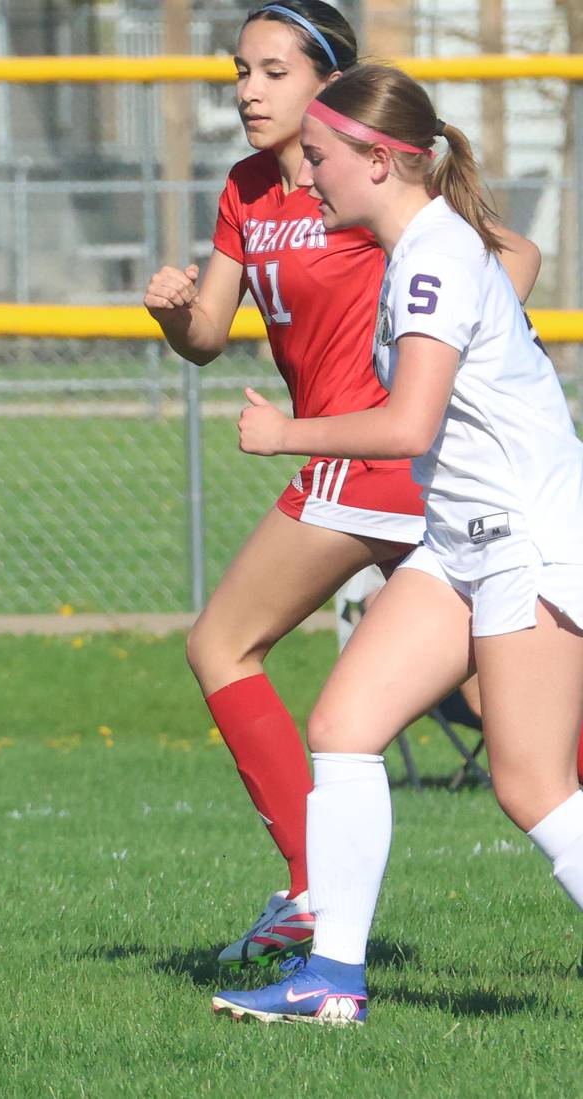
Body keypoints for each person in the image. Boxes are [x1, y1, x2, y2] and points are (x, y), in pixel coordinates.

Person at [142, 0, 541, 969]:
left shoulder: (364, 184)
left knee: (224, 642)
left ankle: (313, 887)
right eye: (239, 71)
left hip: (371, 458)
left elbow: (512, 259)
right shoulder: (250, 190)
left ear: (333, 88)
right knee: (507, 703)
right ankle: (322, 909)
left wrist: (435, 370)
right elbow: (207, 344)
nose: (247, 91)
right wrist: (175, 314)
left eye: (273, 72)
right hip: (357, 462)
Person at [212, 62, 583, 1026]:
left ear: (380, 161)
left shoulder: (430, 257)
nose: (310, 175)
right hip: (464, 541)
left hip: (528, 540)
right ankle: (331, 980)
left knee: (532, 783)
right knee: (342, 729)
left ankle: (330, 974)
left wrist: (284, 436)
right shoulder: (423, 247)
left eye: (323, 157)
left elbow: (408, 426)